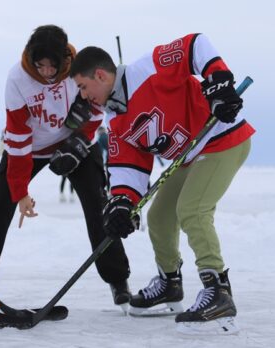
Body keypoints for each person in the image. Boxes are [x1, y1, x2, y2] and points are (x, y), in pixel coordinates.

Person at [70, 33, 254, 334]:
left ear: (100, 75)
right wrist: (122, 204)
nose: (83, 95)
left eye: (83, 86)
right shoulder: (116, 119)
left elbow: (195, 45)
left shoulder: (149, 68)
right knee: (159, 217)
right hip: (191, 155)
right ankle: (170, 283)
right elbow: (128, 168)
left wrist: (218, 79)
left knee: (191, 209)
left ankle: (218, 291)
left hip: (222, 138)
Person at [0, 25, 132, 312]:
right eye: (41, 66)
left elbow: (97, 105)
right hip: (30, 148)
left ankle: (117, 279)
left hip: (74, 142)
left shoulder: (78, 67)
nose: (48, 72)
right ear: (31, 59)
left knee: (97, 201)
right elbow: (17, 136)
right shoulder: (17, 79)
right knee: (1, 202)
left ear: (65, 59)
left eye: (54, 66)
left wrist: (78, 143)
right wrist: (21, 191)